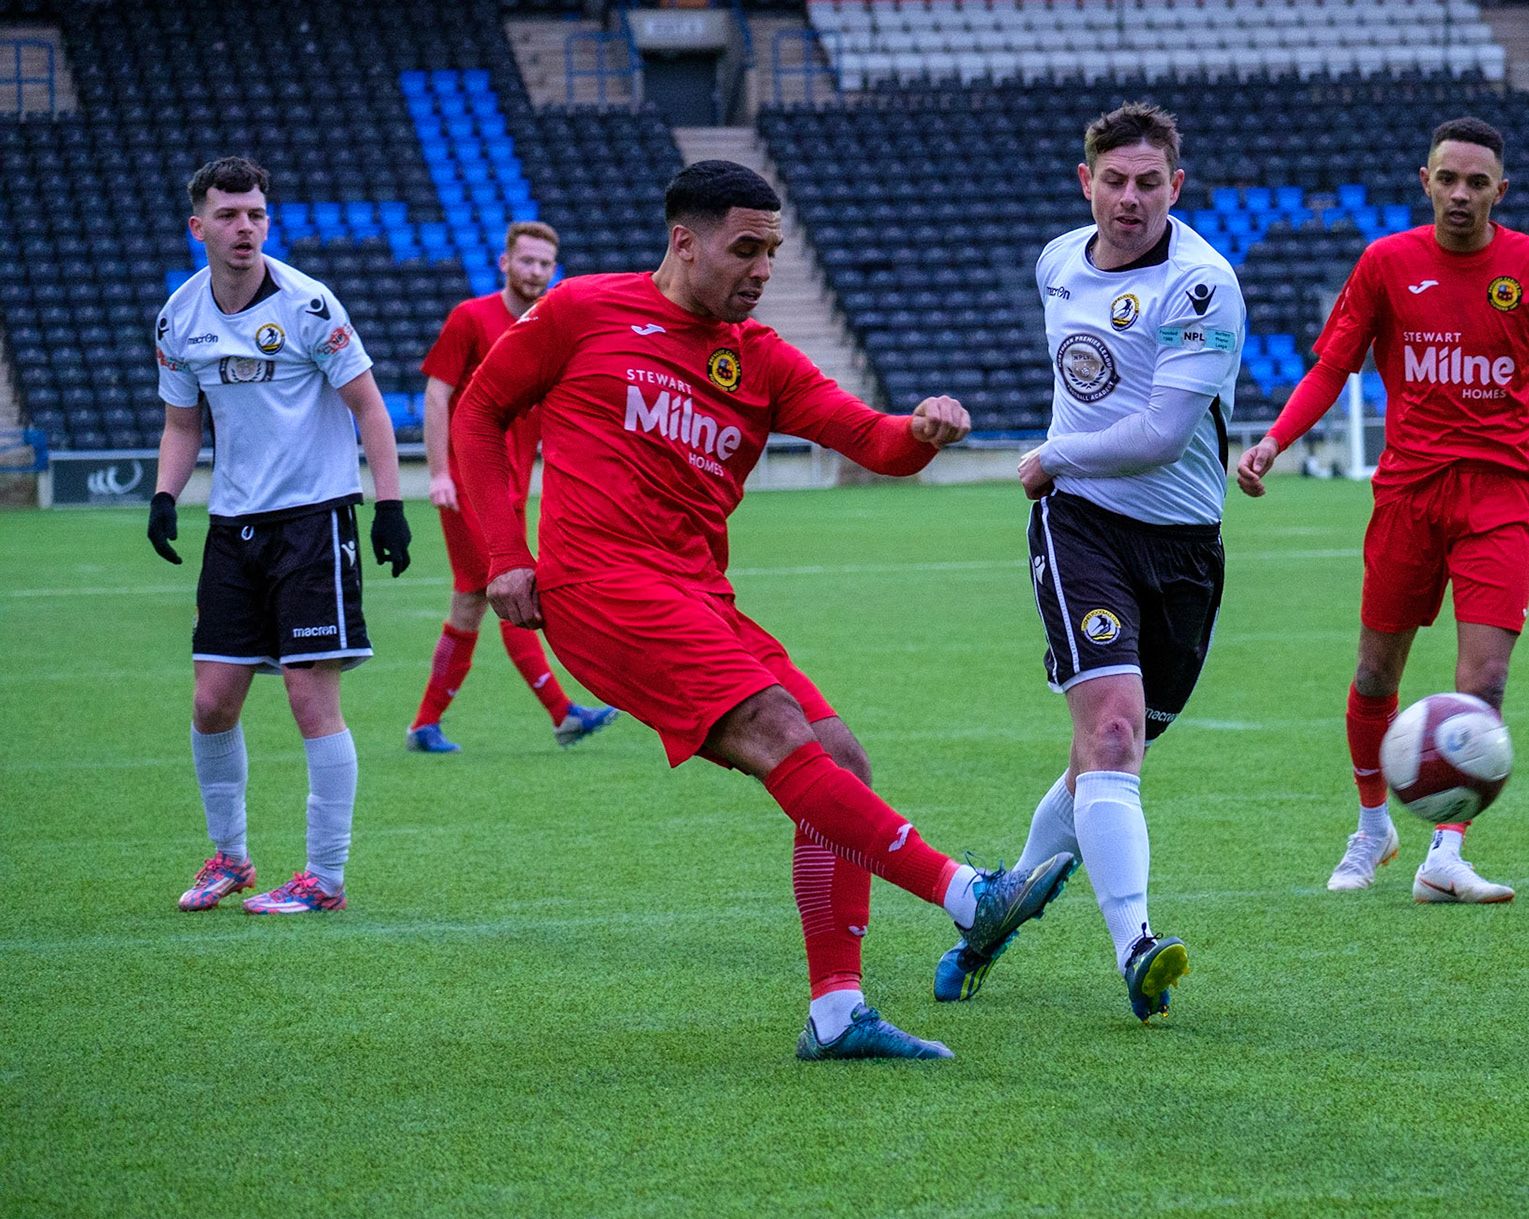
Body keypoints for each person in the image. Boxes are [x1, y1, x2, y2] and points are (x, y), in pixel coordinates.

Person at [451, 159, 1075, 1061]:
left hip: (700, 595)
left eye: (773, 252)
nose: (762, 269)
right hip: (599, 587)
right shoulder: (584, 310)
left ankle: (836, 1014)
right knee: (783, 730)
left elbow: (873, 441)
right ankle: (968, 895)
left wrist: (923, 430)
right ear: (684, 241)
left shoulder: (762, 360)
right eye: (745, 249)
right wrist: (506, 557)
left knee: (840, 758)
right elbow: (480, 412)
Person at [933, 102, 1244, 1023]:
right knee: (1111, 736)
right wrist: (1061, 473)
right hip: (1081, 527)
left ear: (1175, 188)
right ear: (1087, 183)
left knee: (1104, 761)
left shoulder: (1203, 285)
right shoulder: (1057, 262)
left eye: (1151, 183)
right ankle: (1137, 950)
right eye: (1115, 180)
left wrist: (1051, 452)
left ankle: (999, 910)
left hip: (1185, 545)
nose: (1131, 199)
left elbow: (1159, 434)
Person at [1237, 116, 1529, 905]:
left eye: (1477, 182)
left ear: (1501, 189)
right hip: (1408, 495)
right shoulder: (1386, 263)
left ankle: (1445, 853)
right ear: (1424, 181)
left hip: (1498, 496)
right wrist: (1275, 440)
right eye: (1447, 179)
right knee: (1372, 672)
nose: (1461, 194)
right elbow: (1333, 367)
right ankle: (1371, 829)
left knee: (1484, 681)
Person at [147, 156, 411, 914]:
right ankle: (231, 859)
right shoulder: (179, 316)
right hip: (234, 526)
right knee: (212, 701)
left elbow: (368, 408)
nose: (245, 228)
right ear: (199, 226)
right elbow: (181, 421)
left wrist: (387, 505)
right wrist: (166, 495)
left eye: (256, 214)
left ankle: (324, 880)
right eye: (229, 216)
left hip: (315, 521)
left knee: (309, 700)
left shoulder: (309, 305)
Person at [407, 220, 618, 751]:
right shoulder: (470, 317)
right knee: (513, 586)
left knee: (471, 602)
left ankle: (424, 724)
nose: (536, 272)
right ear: (505, 263)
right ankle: (562, 712)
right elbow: (438, 396)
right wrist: (437, 474)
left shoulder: (549, 324)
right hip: (467, 484)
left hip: (513, 488)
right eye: (526, 261)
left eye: (546, 264)